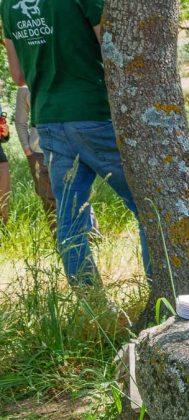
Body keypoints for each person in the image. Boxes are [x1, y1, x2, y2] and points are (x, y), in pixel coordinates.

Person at [2, 0, 151, 285]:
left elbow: (18, 76)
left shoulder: (8, 4)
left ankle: (90, 301)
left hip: (48, 119)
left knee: (69, 218)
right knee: (147, 206)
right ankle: (164, 290)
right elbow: (112, 51)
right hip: (93, 112)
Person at [15, 85, 56, 226]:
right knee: (48, 199)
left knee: (76, 195)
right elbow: (20, 122)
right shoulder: (25, 87)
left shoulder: (63, 75)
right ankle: (61, 242)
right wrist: (28, 150)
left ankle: (92, 240)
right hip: (38, 152)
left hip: (68, 149)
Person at [0, 100, 10, 225]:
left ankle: (4, 229)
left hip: (1, 161)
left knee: (4, 199)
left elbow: (3, 138)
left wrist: (5, 134)